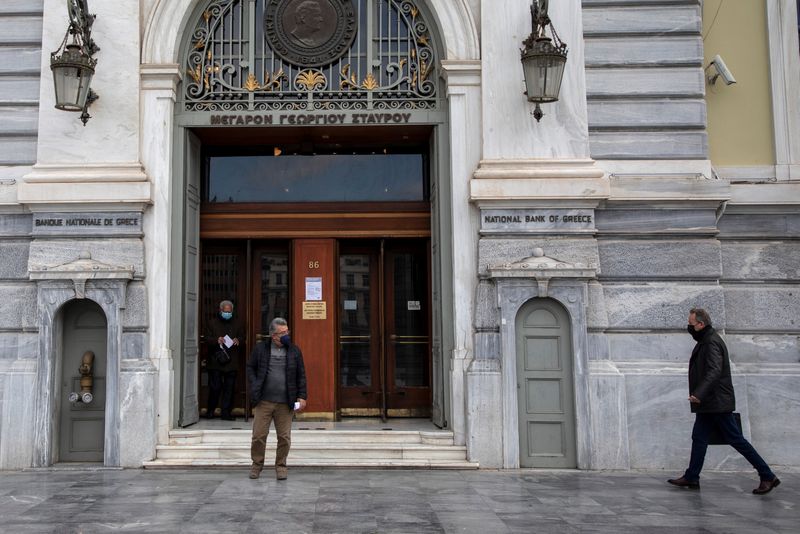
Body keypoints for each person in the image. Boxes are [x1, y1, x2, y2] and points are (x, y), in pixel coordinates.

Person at [668, 308, 780, 495]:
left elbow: (714, 371)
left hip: (716, 402)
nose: (689, 327)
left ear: (701, 324)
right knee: (699, 438)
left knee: (735, 439)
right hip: (710, 402)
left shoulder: (711, 342)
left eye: (691, 324)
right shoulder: (706, 340)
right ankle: (692, 475)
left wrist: (699, 394)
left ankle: (767, 475)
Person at [247, 317, 307, 480]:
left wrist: (302, 396)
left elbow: (301, 374)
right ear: (273, 335)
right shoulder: (261, 349)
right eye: (282, 333)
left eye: (287, 331)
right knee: (258, 435)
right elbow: (250, 367)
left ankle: (281, 466)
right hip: (264, 401)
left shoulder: (294, 351)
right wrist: (255, 384)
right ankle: (256, 465)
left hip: (285, 402)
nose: (286, 335)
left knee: (284, 437)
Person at [203, 300, 243, 421]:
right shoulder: (212, 323)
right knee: (215, 387)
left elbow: (243, 337)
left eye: (229, 311)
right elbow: (206, 339)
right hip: (216, 361)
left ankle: (226, 413)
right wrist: (216, 340)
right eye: (225, 311)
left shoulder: (237, 323)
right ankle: (210, 410)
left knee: (229, 389)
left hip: (232, 361)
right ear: (220, 311)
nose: (227, 313)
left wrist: (238, 340)